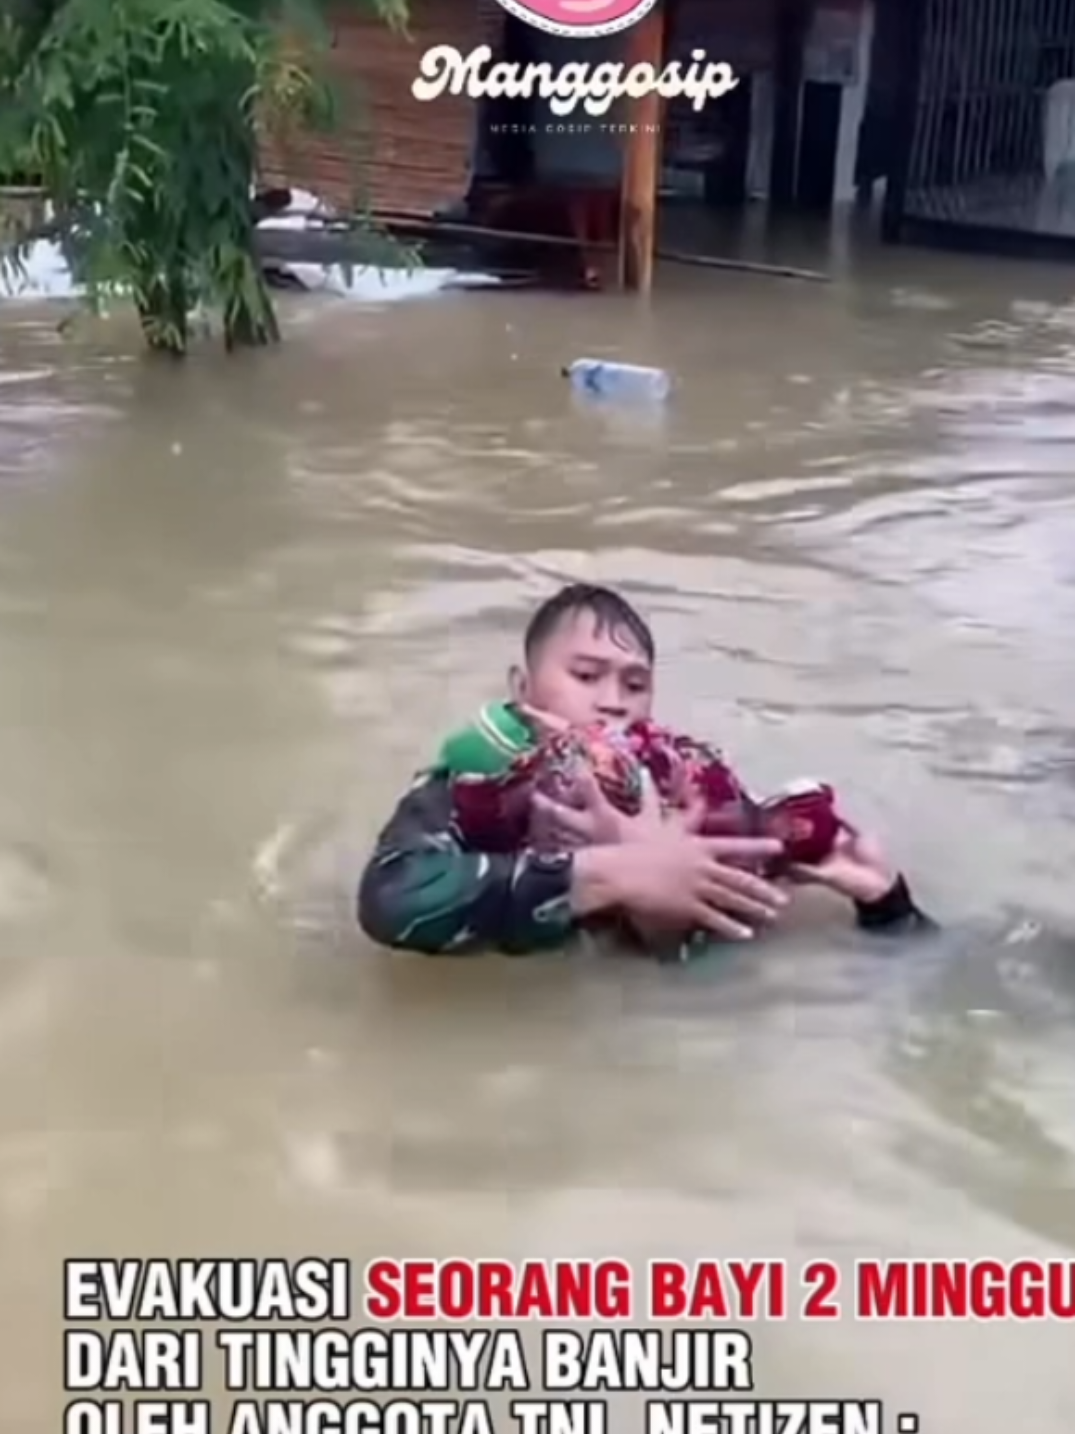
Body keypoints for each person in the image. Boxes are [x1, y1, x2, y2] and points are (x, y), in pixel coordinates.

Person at [357, 584, 933, 956]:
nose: (613, 702)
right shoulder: (472, 787)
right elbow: (390, 898)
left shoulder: (682, 790)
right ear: (521, 687)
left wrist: (884, 902)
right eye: (586, 676)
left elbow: (722, 978)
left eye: (635, 685)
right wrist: (611, 872)